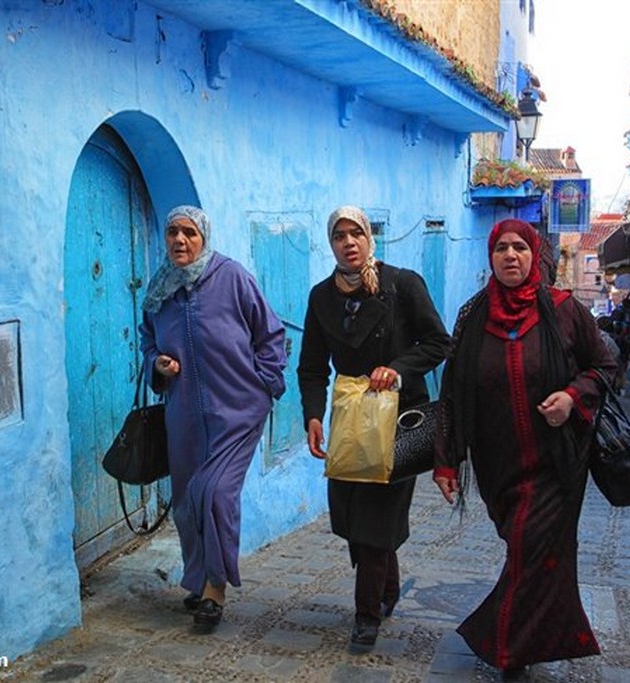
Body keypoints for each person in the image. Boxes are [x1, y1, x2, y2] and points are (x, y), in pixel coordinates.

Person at [433, 219, 617, 679]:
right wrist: (446, 460)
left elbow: (603, 366)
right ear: (491, 257)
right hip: (498, 467)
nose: (510, 256)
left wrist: (572, 396)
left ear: (536, 256)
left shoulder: (563, 310)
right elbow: (453, 393)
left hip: (556, 463)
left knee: (531, 547)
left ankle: (507, 650)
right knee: (525, 554)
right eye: (501, 249)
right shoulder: (472, 316)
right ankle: (527, 638)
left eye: (519, 247)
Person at [297, 205, 450, 650]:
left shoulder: (401, 284)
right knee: (348, 512)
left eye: (356, 233)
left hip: (400, 419)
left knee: (375, 516)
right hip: (350, 419)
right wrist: (311, 414)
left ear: (369, 238)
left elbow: (439, 342)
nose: (349, 242)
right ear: (331, 244)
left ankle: (366, 616)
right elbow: (310, 367)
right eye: (339, 236)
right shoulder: (321, 297)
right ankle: (387, 582)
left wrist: (398, 369)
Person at [139, 205, 288, 629]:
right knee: (187, 501)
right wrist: (158, 365)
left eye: (189, 232)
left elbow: (270, 334)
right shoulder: (160, 288)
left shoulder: (232, 276)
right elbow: (148, 340)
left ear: (204, 236)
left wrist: (264, 384)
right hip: (184, 412)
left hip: (238, 409)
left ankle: (215, 591)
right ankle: (200, 579)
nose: (180, 241)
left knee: (216, 493)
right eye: (172, 233)